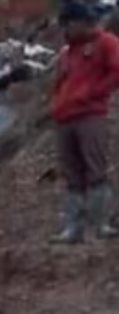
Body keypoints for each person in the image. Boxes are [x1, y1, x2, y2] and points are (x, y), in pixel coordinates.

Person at [50, 1, 119, 243]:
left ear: (78, 22)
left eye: (67, 25)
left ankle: (102, 223)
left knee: (95, 169)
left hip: (90, 115)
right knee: (72, 174)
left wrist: (94, 93)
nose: (65, 31)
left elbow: (116, 71)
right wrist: (57, 102)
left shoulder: (105, 42)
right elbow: (59, 83)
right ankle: (74, 228)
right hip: (65, 118)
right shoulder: (67, 53)